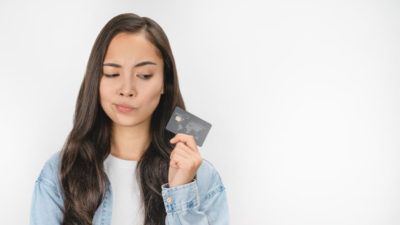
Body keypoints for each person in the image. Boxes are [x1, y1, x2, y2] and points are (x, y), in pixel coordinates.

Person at [29, 13, 229, 225]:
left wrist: (180, 193)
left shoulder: (203, 178)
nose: (127, 89)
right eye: (112, 74)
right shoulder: (58, 174)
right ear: (95, 80)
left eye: (144, 75)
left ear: (165, 82)